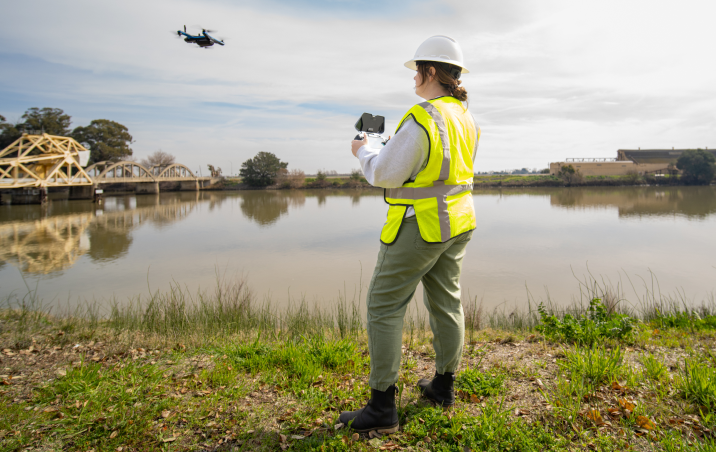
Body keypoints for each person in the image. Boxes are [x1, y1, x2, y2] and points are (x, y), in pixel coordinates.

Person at [339, 35, 480, 433]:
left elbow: (385, 173)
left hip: (420, 225)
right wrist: (385, 149)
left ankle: (382, 408)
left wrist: (364, 150)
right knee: (447, 302)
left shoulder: (423, 116)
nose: (414, 78)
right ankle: (443, 386)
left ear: (431, 71)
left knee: (383, 306)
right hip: (458, 222)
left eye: (417, 70)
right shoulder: (465, 117)